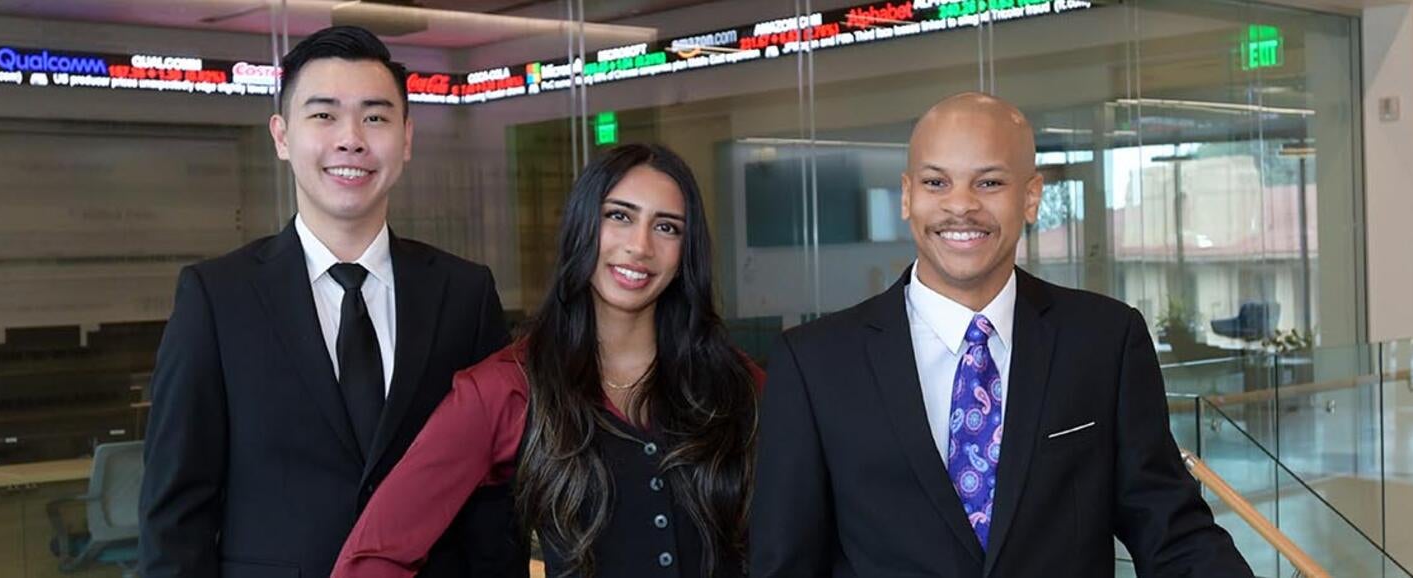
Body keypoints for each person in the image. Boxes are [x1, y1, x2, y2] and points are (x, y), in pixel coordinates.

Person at [748, 92, 1251, 577]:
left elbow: (1171, 532)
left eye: (988, 183)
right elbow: (786, 563)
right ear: (907, 195)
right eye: (936, 182)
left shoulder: (1104, 341)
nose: (960, 206)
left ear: (1031, 197)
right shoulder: (815, 363)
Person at [140, 26, 521, 578]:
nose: (351, 139)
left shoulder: (464, 294)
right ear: (282, 136)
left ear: (406, 138)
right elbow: (176, 518)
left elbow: (496, 499)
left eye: (375, 117)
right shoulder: (217, 299)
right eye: (323, 115)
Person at [333, 143, 761, 578]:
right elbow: (373, 557)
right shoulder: (508, 387)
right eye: (619, 216)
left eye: (667, 227)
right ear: (581, 225)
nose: (640, 245)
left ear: (686, 252)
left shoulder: (740, 384)